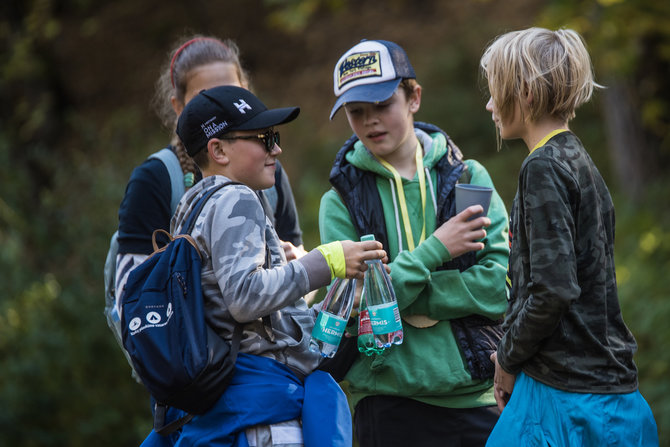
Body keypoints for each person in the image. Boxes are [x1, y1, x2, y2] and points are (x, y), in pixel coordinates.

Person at [139, 85, 387, 447]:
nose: (277, 149)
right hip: (260, 415)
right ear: (218, 150)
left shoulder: (191, 205)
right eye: (264, 138)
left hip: (223, 412)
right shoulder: (237, 196)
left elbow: (242, 312)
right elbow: (245, 298)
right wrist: (328, 261)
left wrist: (337, 303)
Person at [319, 39, 510, 446]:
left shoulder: (470, 179)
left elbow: (497, 291)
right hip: (388, 401)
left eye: (383, 104)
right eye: (357, 112)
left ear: (414, 97)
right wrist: (436, 250)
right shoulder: (339, 204)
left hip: (477, 399)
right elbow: (353, 310)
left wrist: (396, 291)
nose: (371, 121)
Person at [480, 27, 659, 446]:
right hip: (615, 399)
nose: (489, 105)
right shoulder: (581, 161)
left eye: (495, 91)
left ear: (523, 92)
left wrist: (506, 359)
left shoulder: (541, 167)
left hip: (564, 403)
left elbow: (553, 290)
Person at [115, 35, 307, 308]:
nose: (222, 104)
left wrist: (293, 268)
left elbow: (296, 296)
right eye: (206, 98)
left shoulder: (269, 171)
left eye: (230, 92)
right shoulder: (156, 179)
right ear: (178, 108)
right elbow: (130, 300)